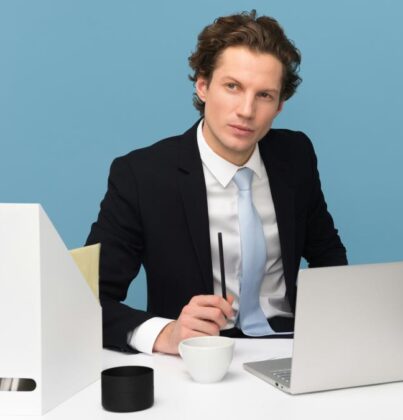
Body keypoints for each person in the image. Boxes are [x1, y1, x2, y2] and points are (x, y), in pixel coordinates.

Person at [86, 10, 347, 355]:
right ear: (203, 86)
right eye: (232, 87)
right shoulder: (141, 175)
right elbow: (88, 300)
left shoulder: (295, 156)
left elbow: (329, 257)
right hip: (197, 357)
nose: (246, 110)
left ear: (280, 106)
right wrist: (166, 334)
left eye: (264, 95)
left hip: (293, 347)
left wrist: (336, 330)